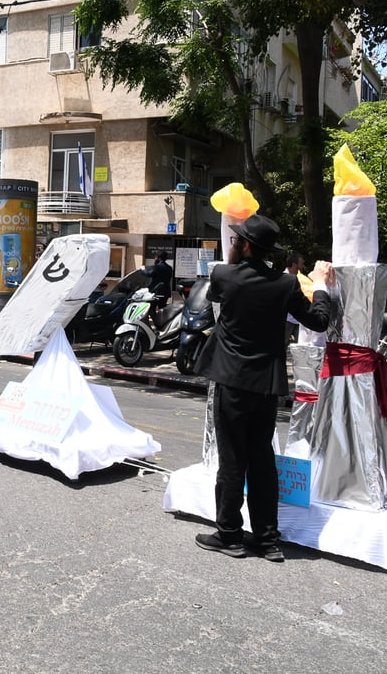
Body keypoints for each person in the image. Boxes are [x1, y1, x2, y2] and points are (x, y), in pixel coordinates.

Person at [194, 214, 335, 563]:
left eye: (235, 240)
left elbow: (220, 293)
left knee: (232, 461)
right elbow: (318, 320)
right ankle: (267, 539)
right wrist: (320, 287)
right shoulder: (286, 285)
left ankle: (229, 534)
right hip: (266, 385)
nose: (231, 244)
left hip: (231, 381)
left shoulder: (224, 276)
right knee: (261, 462)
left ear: (244, 245)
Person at [142, 251, 173, 327]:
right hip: (165, 292)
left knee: (151, 309)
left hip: (155, 292)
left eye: (155, 257)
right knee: (162, 310)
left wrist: (143, 269)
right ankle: (164, 324)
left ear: (159, 258)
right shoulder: (169, 268)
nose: (154, 258)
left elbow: (149, 274)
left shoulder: (157, 267)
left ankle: (157, 324)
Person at [284, 253, 306, 343]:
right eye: (301, 264)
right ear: (294, 265)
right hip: (286, 319)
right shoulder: (283, 279)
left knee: (300, 345)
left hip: (298, 319)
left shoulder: (301, 279)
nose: (303, 267)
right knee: (281, 344)